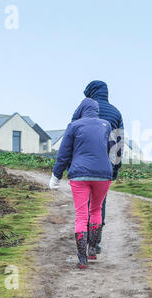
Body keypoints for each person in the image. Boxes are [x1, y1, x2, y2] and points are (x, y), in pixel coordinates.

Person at [49, 98, 113, 269]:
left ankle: (82, 259)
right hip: (103, 174)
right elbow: (112, 148)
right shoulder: (106, 125)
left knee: (82, 215)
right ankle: (92, 249)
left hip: (79, 175)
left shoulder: (74, 126)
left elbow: (63, 154)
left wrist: (56, 177)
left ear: (81, 110)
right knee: (96, 209)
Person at [72, 80, 124, 254]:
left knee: (83, 202)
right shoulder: (116, 113)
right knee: (98, 204)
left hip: (83, 163)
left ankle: (84, 236)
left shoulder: (83, 110)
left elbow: (72, 135)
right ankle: (95, 243)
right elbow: (118, 144)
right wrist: (115, 169)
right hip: (105, 165)